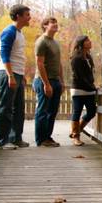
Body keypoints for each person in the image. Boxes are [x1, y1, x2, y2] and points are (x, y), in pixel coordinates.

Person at [0, 4, 31, 150]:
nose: (30, 17)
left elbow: (18, 56)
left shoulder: (20, 33)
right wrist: (10, 75)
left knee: (19, 108)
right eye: (27, 15)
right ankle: (2, 141)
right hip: (7, 73)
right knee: (6, 108)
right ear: (18, 16)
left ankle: (16, 138)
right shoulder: (9, 31)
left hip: (17, 74)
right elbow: (4, 55)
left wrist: (21, 76)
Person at [33, 17, 63, 147]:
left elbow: (59, 63)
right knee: (43, 111)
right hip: (44, 80)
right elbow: (39, 63)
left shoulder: (55, 43)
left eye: (56, 23)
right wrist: (46, 84)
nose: (56, 25)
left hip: (55, 80)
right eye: (52, 23)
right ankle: (41, 139)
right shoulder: (41, 42)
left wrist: (61, 81)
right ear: (45, 25)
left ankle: (48, 137)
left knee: (52, 111)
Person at [69, 36, 97, 146]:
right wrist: (91, 86)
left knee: (91, 111)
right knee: (77, 111)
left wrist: (92, 86)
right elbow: (80, 76)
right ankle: (76, 137)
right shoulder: (76, 58)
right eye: (87, 41)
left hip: (89, 90)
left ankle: (76, 131)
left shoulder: (88, 57)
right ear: (81, 43)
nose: (90, 42)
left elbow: (89, 74)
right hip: (79, 90)